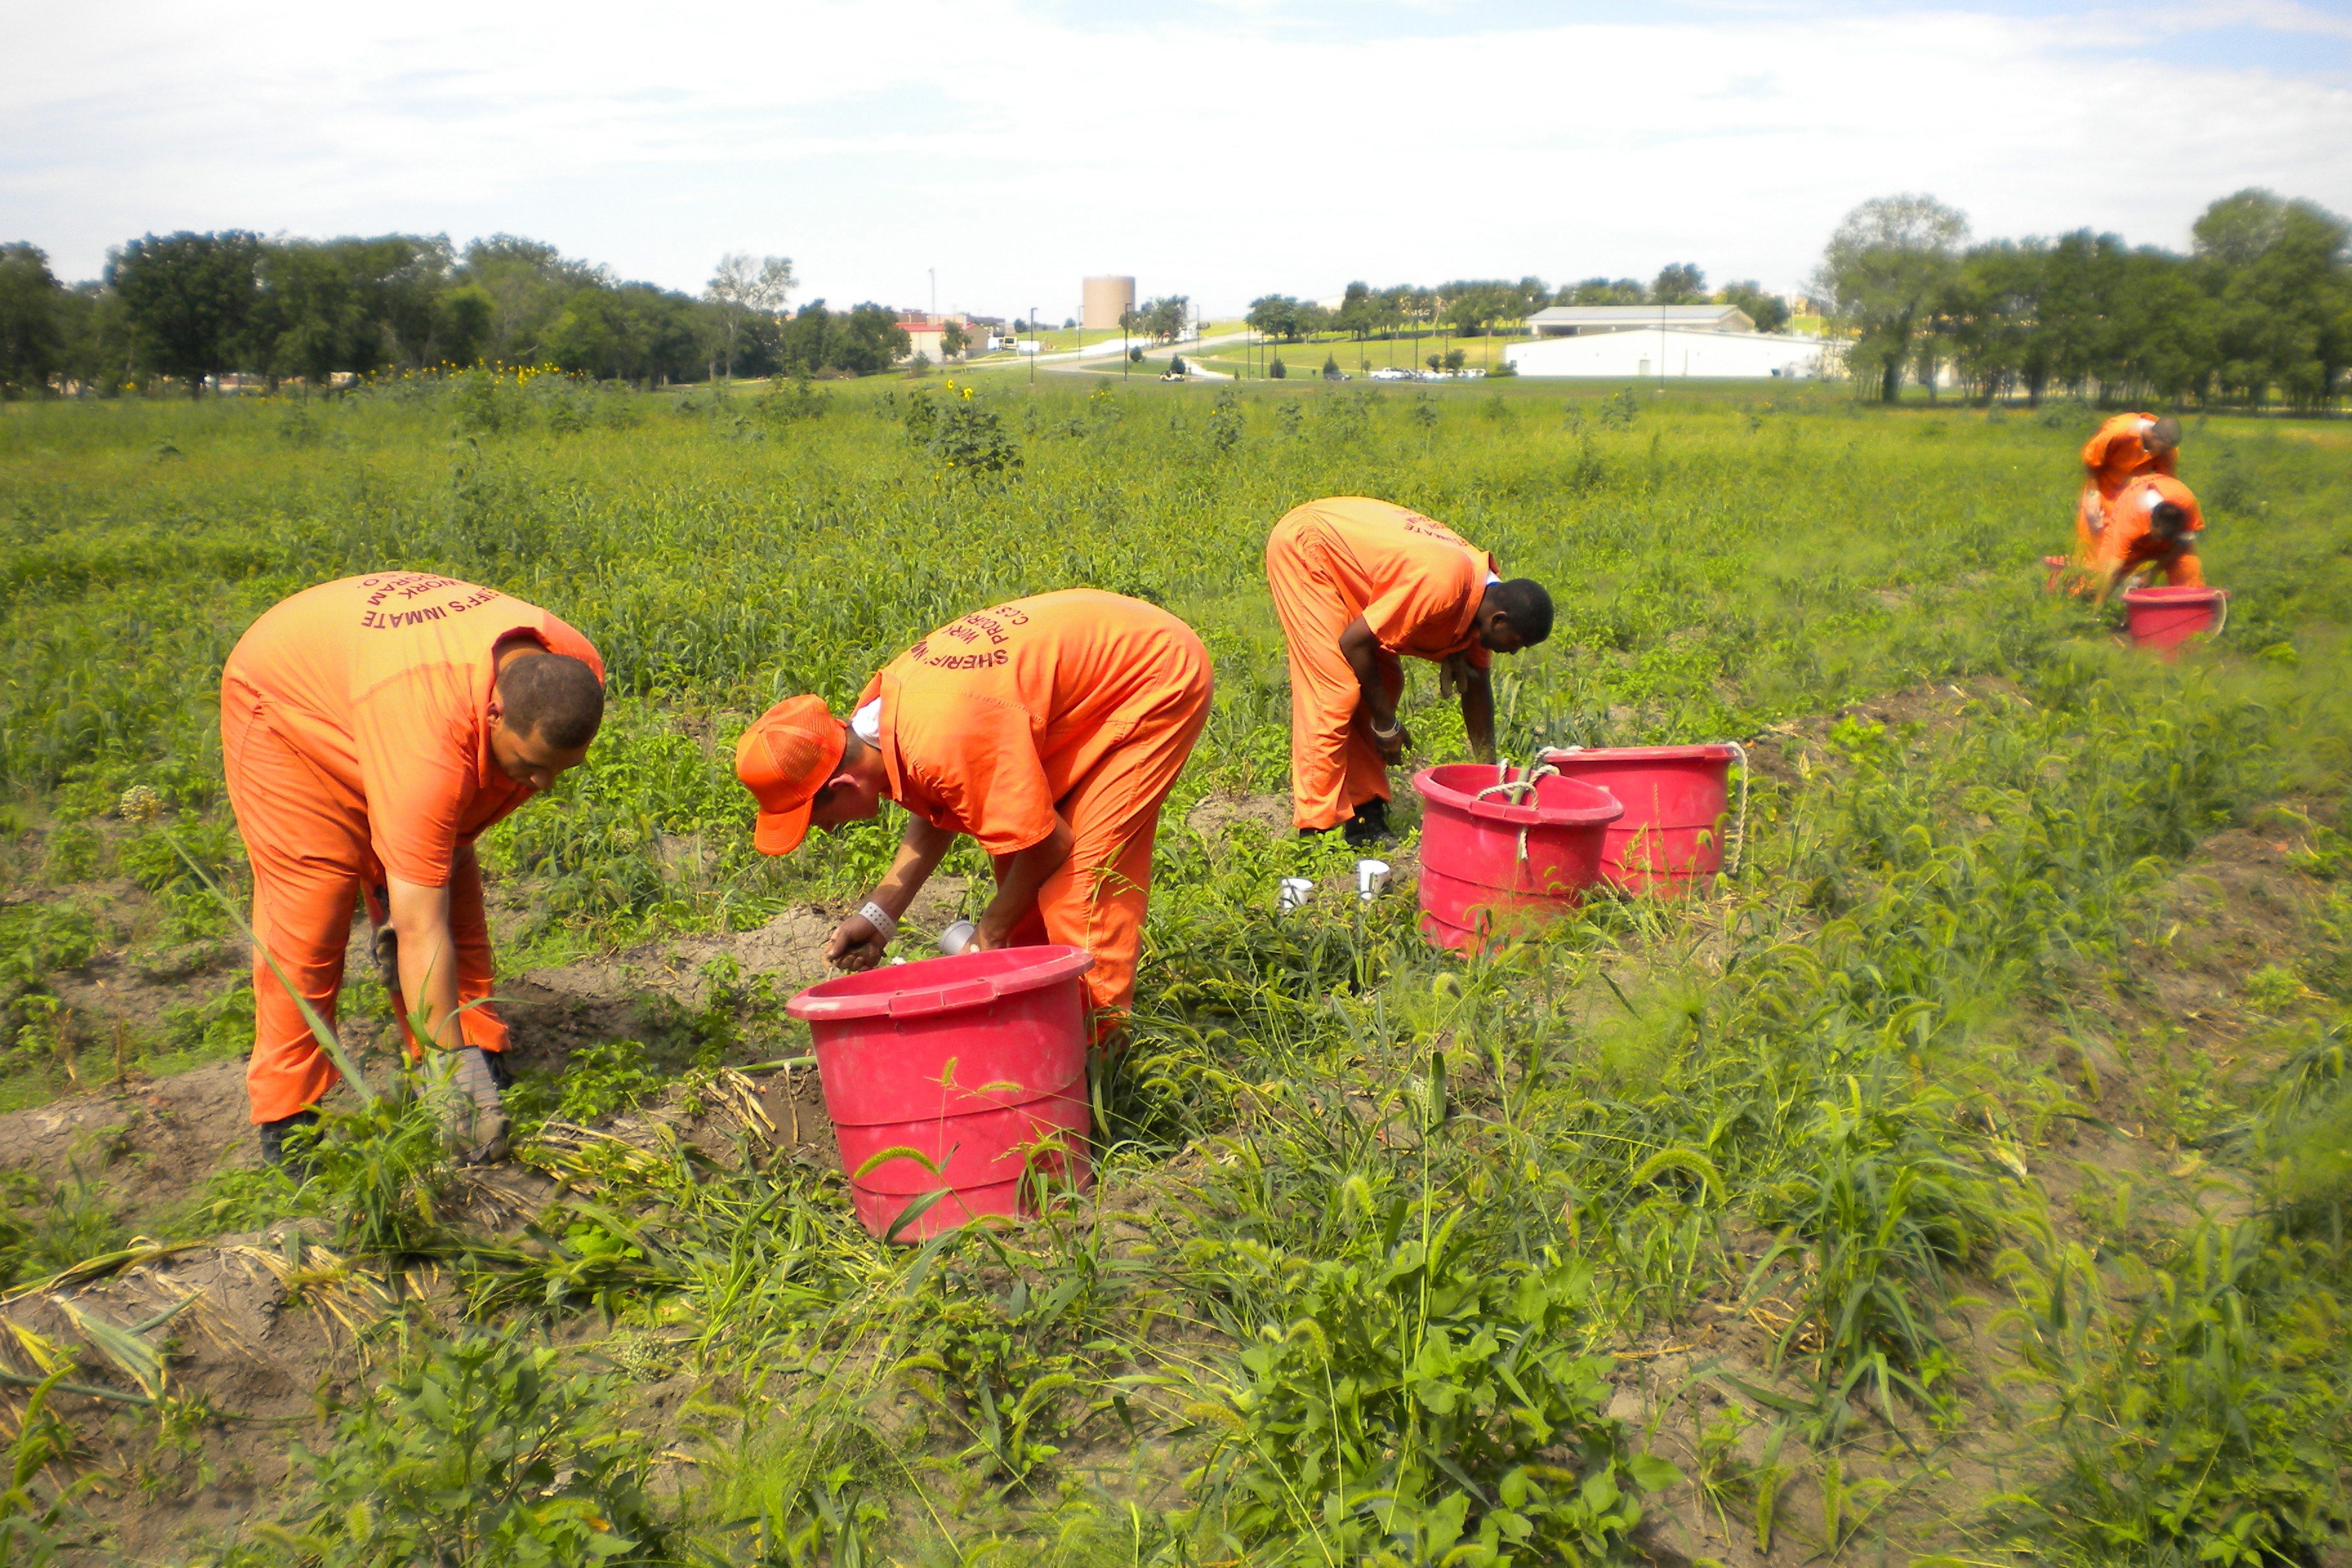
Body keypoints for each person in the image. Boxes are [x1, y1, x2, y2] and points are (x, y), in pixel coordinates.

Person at [220, 573, 605, 1165]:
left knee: (448, 882)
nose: (546, 785)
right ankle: (290, 1122)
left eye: (563, 768)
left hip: (387, 686)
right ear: (495, 712)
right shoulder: (427, 744)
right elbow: (421, 925)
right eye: (532, 764)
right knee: (312, 913)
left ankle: (473, 1045)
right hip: (288, 700)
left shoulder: (575, 667)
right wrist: (459, 1099)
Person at [735, 589, 1210, 1035]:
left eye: (818, 819)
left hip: (1150, 675)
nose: (828, 829)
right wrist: (880, 916)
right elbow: (944, 801)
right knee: (1018, 871)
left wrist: (990, 931)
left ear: (842, 783)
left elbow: (1051, 842)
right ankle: (1033, 1024)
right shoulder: (882, 729)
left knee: (1079, 892)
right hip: (1091, 677)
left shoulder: (940, 737)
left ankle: (1096, 1067)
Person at [1264, 496, 1553, 846]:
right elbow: (1355, 643)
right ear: (1500, 621)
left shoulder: (1485, 605)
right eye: (1517, 643)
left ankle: (1365, 814)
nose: (1513, 652)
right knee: (1334, 690)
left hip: (1350, 563)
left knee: (1383, 683)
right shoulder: (1444, 584)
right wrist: (1386, 726)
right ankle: (1314, 831)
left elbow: (1476, 688)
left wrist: (1489, 776)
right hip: (1310, 547)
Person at [2077, 413, 2181, 561]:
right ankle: (2084, 582)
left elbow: (2167, 482)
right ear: (2154, 436)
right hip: (2101, 489)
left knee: (2120, 549)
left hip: (2129, 498)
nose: (2165, 454)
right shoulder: (2118, 432)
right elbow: (2092, 460)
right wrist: (2092, 497)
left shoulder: (2168, 448)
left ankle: (2116, 581)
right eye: (2163, 449)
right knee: (2091, 545)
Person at [2092, 473, 2206, 601]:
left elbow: (2185, 541)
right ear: (2151, 521)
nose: (2158, 542)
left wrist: (2154, 571)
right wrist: (2095, 612)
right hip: (2133, 517)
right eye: (2156, 536)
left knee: (2189, 568)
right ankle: (2088, 605)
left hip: (2171, 533)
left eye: (2164, 539)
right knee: (2100, 578)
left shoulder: (2188, 505)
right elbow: (2113, 567)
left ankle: (2192, 609)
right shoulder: (2131, 517)